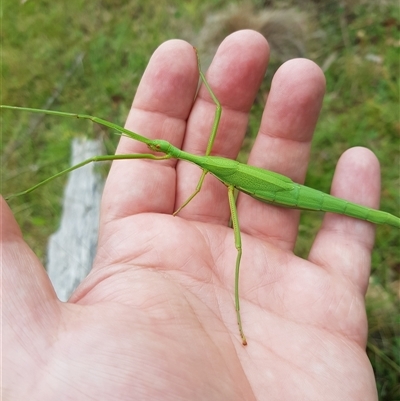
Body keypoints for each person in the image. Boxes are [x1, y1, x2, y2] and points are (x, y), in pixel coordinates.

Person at [2, 30, 378, 400]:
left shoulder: (204, 166)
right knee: (100, 155)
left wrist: (201, 74)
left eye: (158, 148)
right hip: (267, 184)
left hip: (271, 187)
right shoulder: (203, 164)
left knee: (245, 246)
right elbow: (210, 124)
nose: (157, 148)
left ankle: (237, 313)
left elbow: (213, 120)